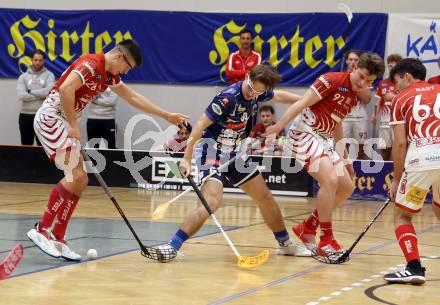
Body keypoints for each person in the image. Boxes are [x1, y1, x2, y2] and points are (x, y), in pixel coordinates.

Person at [27, 39, 189, 261]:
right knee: (75, 176)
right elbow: (66, 89)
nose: (126, 71)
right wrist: (74, 126)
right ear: (119, 57)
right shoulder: (91, 64)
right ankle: (41, 228)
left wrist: (166, 115)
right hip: (52, 120)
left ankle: (57, 235)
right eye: (127, 67)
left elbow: (133, 96)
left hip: (65, 123)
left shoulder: (109, 75)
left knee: (81, 179)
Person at [157, 64, 311, 261]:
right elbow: (199, 126)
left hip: (235, 153)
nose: (253, 93)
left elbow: (278, 96)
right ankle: (172, 246)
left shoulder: (258, 93)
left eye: (258, 92)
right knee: (212, 202)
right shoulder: (226, 99)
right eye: (251, 88)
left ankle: (285, 244)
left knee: (264, 196)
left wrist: (305, 101)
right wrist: (186, 159)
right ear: (247, 76)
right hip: (210, 151)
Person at [266, 52, 385, 257]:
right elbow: (301, 103)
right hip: (303, 134)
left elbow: (337, 125)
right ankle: (326, 240)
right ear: (354, 68)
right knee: (329, 180)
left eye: (369, 81)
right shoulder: (331, 79)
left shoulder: (354, 97)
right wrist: (278, 126)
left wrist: (345, 158)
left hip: (324, 139)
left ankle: (308, 228)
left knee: (347, 186)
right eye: (362, 76)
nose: (363, 82)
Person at [384, 58, 440, 285]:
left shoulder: (400, 98)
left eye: (397, 81)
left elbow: (399, 144)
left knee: (402, 215)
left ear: (406, 76)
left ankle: (413, 267)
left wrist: (396, 181)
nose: (395, 88)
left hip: (421, 158)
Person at [16, 49, 55, 145]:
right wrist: (40, 96)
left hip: (43, 116)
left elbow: (49, 93)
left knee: (43, 147)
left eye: (40, 60)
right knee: (26, 146)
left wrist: (30, 92)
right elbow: (21, 96)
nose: (37, 62)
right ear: (32, 60)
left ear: (44, 61)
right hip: (25, 116)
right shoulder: (23, 77)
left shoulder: (49, 75)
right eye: (35, 60)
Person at [370, 54, 403, 161]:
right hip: (384, 121)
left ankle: (396, 169)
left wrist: (393, 97)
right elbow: (379, 101)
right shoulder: (382, 83)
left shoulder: (403, 82)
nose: (391, 66)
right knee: (384, 147)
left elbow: (406, 100)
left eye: (395, 63)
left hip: (398, 120)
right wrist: (374, 114)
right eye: (389, 64)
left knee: (397, 146)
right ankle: (385, 170)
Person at [342, 50, 373, 160]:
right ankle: (343, 169)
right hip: (344, 116)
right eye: (350, 59)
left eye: (356, 60)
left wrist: (358, 84)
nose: (353, 62)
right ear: (346, 61)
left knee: (361, 147)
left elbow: (367, 99)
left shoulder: (365, 78)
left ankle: (359, 172)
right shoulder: (341, 76)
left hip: (359, 115)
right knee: (341, 146)